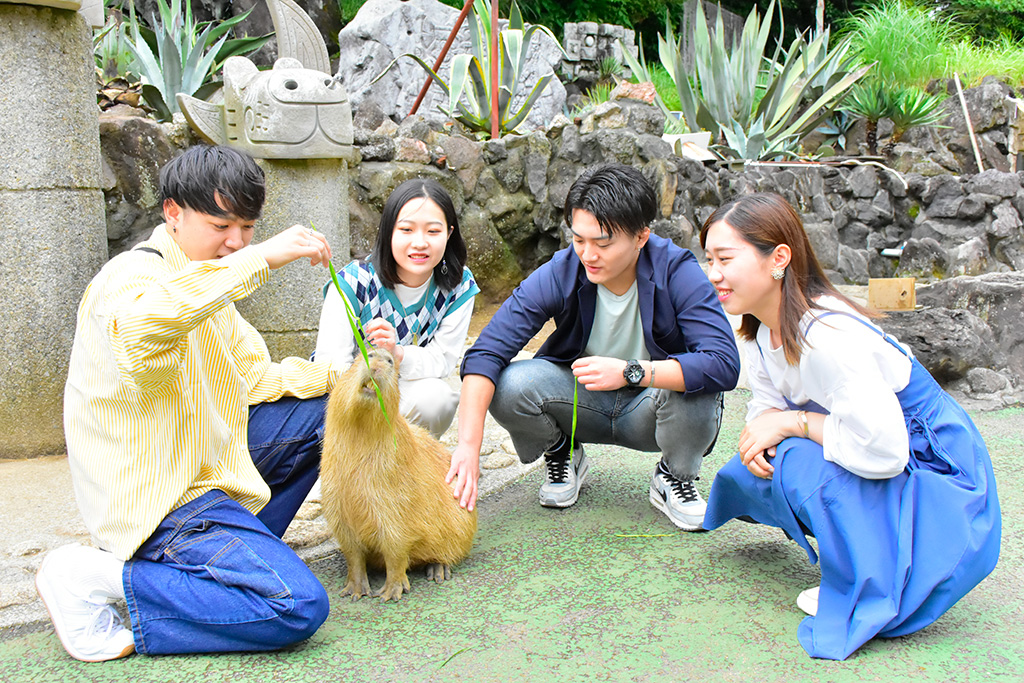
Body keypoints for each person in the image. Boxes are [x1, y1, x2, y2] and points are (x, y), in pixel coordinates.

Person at [36, 144, 340, 662]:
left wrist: (350, 375)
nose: (236, 242)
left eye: (247, 228)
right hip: (160, 498)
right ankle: (101, 578)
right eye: (221, 225)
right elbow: (144, 327)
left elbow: (255, 377)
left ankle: (222, 564)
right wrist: (258, 258)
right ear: (172, 213)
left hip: (203, 470)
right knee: (296, 606)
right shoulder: (130, 278)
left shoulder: (208, 284)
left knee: (328, 412)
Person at [699, 192, 1001, 660]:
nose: (713, 273)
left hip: (937, 469)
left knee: (798, 458)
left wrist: (793, 423)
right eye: (708, 260)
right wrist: (763, 430)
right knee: (758, 468)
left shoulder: (827, 335)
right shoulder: (761, 328)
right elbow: (765, 402)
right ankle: (859, 543)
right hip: (876, 446)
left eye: (725, 258)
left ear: (778, 258)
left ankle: (872, 574)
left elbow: (885, 452)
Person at [446, 163, 740, 529]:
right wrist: (468, 447)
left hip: (651, 406)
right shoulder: (564, 269)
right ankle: (562, 450)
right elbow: (487, 351)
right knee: (507, 384)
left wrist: (632, 372)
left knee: (697, 386)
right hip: (580, 402)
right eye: (578, 239)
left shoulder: (676, 270)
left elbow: (723, 363)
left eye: (602, 242)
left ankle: (673, 476)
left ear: (641, 237)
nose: (588, 254)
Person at [314, 178, 479, 438]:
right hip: (351, 403)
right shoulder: (353, 282)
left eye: (433, 232)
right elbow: (329, 366)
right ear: (388, 231)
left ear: (449, 233)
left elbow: (442, 360)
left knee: (438, 398)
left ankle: (405, 464)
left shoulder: (459, 285)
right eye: (406, 230)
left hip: (406, 397)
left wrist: (397, 353)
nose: (420, 242)